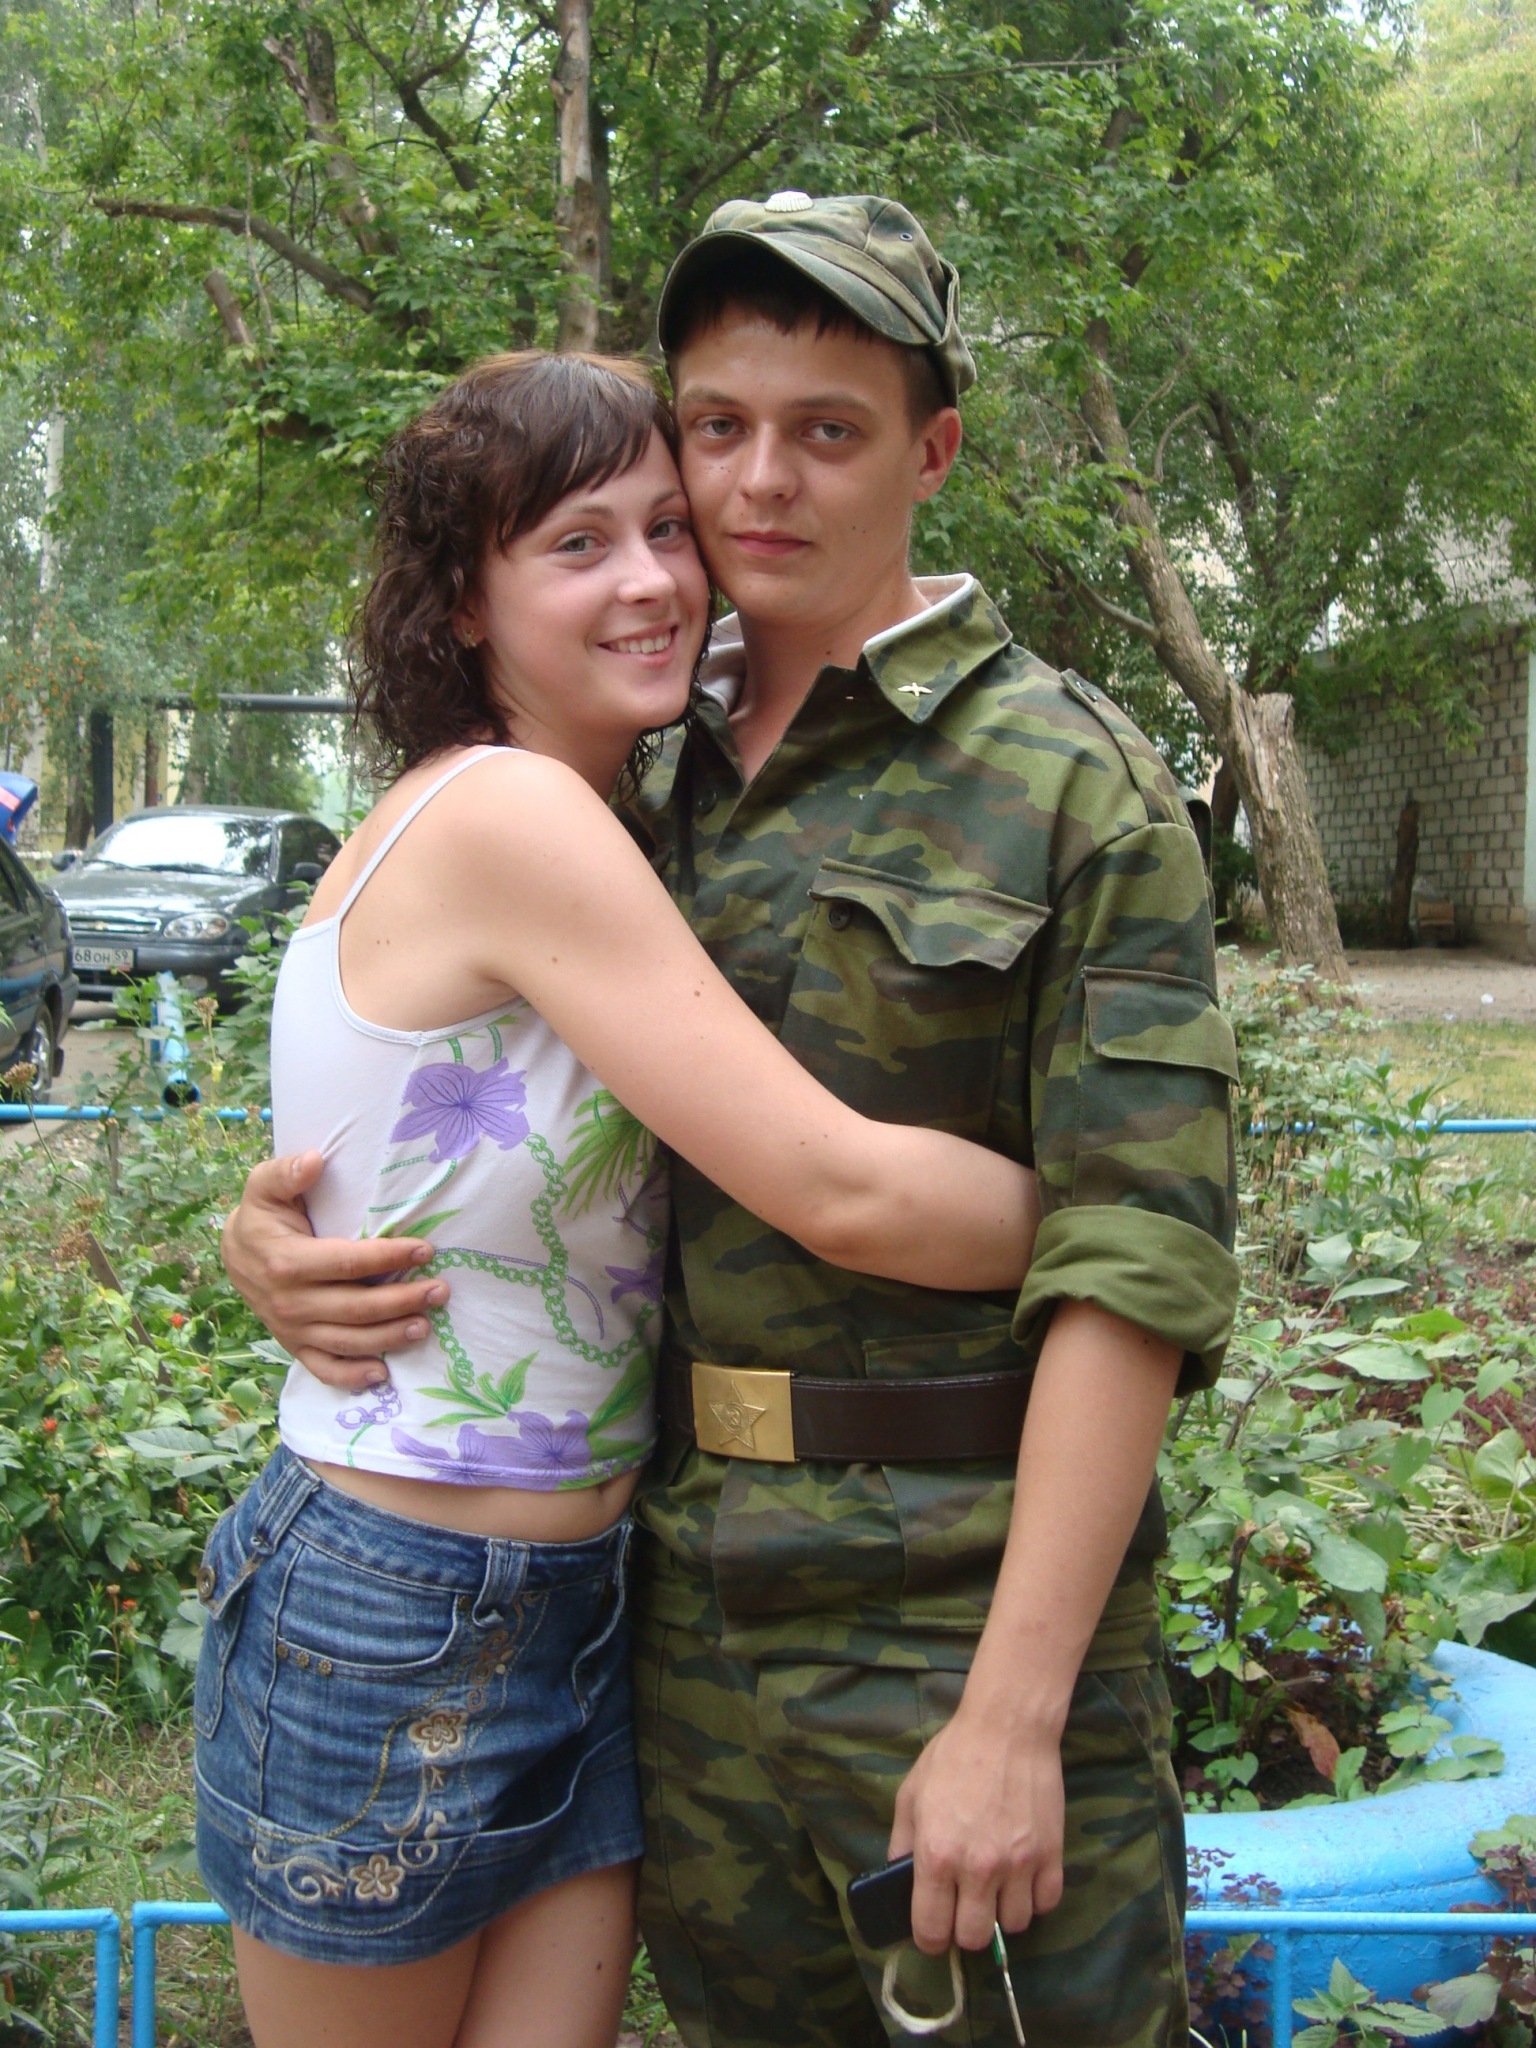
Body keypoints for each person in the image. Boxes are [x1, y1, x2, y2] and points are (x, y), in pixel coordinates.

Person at [223, 197, 1241, 2048]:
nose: (759, 482)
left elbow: (1136, 1266)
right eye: (717, 427)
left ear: (933, 451)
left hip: (954, 1613)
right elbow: (490, 1103)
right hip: (667, 1621)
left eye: (828, 430)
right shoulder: (640, 767)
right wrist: (291, 1226)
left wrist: (1015, 1714)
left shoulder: (1069, 783)